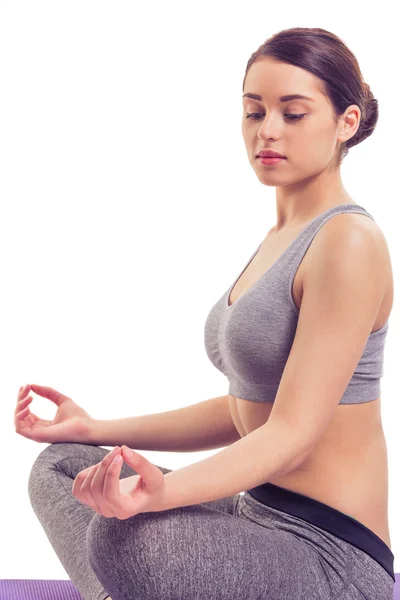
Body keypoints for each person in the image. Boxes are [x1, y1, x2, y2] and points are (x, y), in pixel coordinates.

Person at [15, 26, 395, 600]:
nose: (267, 131)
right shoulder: (281, 236)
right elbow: (245, 408)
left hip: (329, 554)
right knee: (63, 466)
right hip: (256, 512)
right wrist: (96, 429)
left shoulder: (349, 242)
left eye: (293, 113)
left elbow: (292, 432)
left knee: (124, 540)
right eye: (253, 111)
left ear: (346, 122)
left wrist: (159, 496)